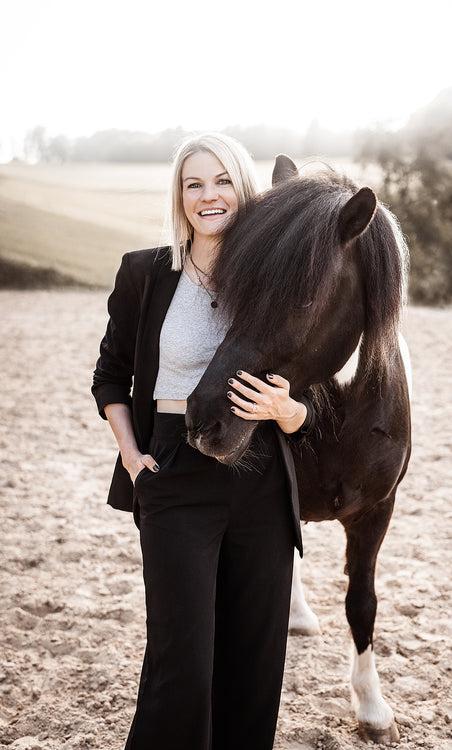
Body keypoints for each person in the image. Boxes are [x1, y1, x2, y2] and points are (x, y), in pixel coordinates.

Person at [92, 132, 315, 750]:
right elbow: (110, 375)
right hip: (172, 470)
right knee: (182, 666)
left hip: (261, 475)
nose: (208, 195)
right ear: (180, 195)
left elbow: (311, 405)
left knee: (254, 663)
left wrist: (288, 410)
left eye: (223, 181)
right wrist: (132, 454)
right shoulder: (145, 272)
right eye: (194, 183)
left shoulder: (279, 280)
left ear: (245, 190)